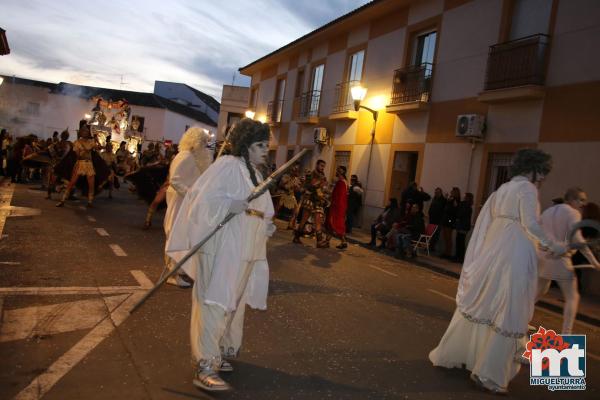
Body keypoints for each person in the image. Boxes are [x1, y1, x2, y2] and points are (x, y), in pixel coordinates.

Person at [429, 148, 566, 394]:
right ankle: (489, 374)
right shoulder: (526, 188)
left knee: (488, 304)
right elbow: (531, 224)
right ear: (533, 169)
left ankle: (471, 358)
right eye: (543, 173)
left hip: (497, 250)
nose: (543, 178)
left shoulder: (503, 188)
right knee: (509, 309)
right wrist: (555, 245)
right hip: (515, 252)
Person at [166, 118, 275, 392]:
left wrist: (266, 224)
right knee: (214, 301)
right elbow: (201, 202)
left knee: (233, 303)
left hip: (247, 248)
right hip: (224, 245)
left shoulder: (256, 173)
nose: (266, 150)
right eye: (260, 145)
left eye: (266, 145)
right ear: (246, 145)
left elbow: (263, 209)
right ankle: (205, 364)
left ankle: (221, 350)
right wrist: (229, 205)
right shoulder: (226, 166)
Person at [537, 188, 599, 334]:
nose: (583, 204)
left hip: (542, 258)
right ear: (571, 200)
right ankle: (567, 333)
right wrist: (595, 262)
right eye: (581, 200)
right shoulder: (573, 213)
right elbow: (578, 239)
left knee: (539, 292)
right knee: (572, 297)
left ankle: (521, 320)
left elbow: (538, 233)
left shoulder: (547, 212)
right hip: (560, 260)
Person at [163, 127, 212, 287]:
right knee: (175, 233)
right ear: (195, 142)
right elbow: (175, 180)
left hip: (186, 200)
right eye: (204, 142)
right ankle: (172, 273)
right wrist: (191, 195)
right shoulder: (185, 157)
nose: (206, 146)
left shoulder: (194, 157)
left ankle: (179, 269)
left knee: (185, 234)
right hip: (180, 199)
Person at [56, 122, 99, 208]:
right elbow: (78, 155)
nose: (85, 133)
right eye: (83, 132)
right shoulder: (77, 142)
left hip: (89, 164)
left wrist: (96, 140)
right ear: (81, 133)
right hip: (80, 163)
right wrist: (86, 149)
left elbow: (99, 148)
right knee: (72, 182)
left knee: (91, 184)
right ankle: (63, 200)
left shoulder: (91, 142)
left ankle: (90, 202)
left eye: (86, 132)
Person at [293, 159, 329, 247]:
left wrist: (325, 193)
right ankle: (296, 237)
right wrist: (314, 186)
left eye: (323, 166)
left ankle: (319, 241)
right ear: (317, 165)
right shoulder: (311, 174)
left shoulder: (323, 176)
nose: (322, 168)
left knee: (318, 221)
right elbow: (306, 186)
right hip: (310, 200)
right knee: (304, 220)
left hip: (318, 202)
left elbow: (324, 188)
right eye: (321, 165)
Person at [324, 166, 349, 249]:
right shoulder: (344, 182)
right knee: (335, 224)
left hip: (337, 207)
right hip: (340, 207)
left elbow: (338, 197)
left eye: (337, 171)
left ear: (340, 172)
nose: (336, 172)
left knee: (332, 223)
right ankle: (342, 241)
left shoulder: (341, 183)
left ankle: (327, 241)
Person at [453, 192, 473, 263]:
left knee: (460, 242)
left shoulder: (466, 205)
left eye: (465, 196)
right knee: (459, 241)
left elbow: (461, 214)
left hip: (463, 226)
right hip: (462, 225)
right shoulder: (466, 205)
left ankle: (460, 257)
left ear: (467, 197)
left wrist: (457, 206)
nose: (463, 197)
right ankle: (458, 256)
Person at [441, 187, 461, 258]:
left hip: (450, 220)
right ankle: (446, 252)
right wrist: (447, 200)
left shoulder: (456, 201)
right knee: (445, 237)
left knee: (448, 237)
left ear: (455, 193)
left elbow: (455, 211)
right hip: (446, 219)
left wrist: (453, 205)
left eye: (452, 192)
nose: (451, 192)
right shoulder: (450, 199)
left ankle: (448, 253)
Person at [427, 187, 446, 253]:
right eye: (435, 192)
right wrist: (429, 213)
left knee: (435, 234)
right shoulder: (434, 199)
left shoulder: (443, 200)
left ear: (440, 193)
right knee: (430, 234)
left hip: (438, 220)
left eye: (437, 192)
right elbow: (431, 207)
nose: (435, 193)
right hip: (432, 219)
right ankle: (429, 246)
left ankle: (432, 247)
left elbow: (442, 210)